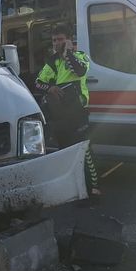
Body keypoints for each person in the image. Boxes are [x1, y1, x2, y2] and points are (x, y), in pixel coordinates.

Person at [35, 24, 101, 197]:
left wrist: (68, 52)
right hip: (61, 115)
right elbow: (38, 82)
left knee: (84, 150)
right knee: (66, 153)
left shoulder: (80, 56)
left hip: (78, 112)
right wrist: (50, 88)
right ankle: (75, 191)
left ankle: (93, 189)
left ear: (69, 40)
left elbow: (79, 70)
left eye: (60, 39)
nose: (56, 43)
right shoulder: (52, 61)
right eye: (54, 40)